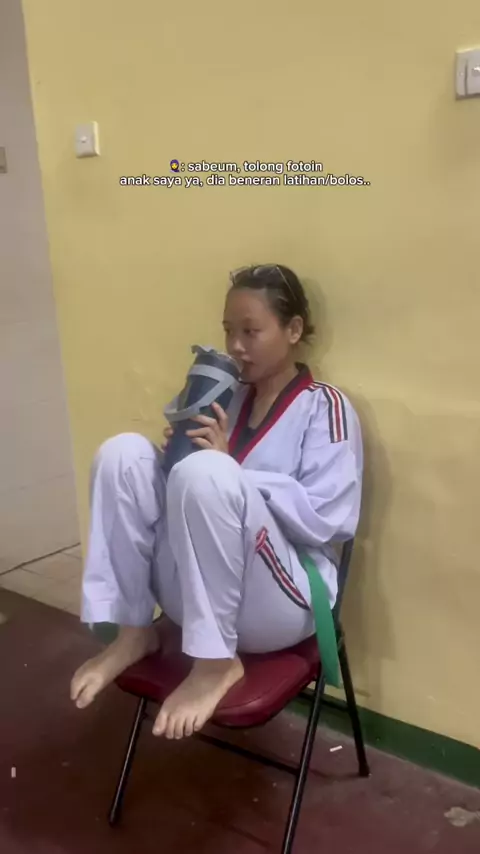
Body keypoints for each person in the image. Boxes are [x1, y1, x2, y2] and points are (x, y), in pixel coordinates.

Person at [70, 264, 363, 741]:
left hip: (279, 605)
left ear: (293, 330)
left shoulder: (324, 407)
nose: (236, 346)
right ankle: (133, 631)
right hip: (198, 596)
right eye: (229, 331)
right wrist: (177, 463)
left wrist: (228, 471)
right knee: (122, 454)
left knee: (208, 472)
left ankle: (215, 665)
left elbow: (329, 520)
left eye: (251, 331)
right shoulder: (225, 397)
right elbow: (187, 496)